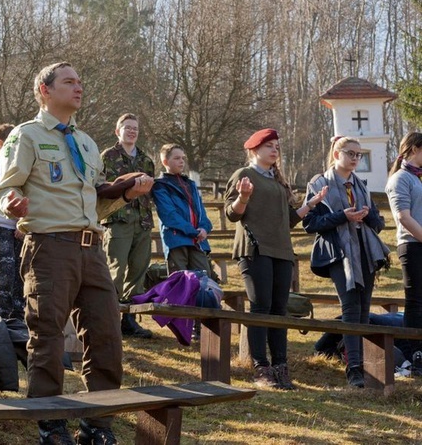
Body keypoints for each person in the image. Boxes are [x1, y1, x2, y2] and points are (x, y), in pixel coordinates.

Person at [0, 62, 153, 444]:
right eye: (69, 82)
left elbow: (93, 204)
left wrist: (126, 194)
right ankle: (51, 423)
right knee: (47, 336)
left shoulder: (86, 142)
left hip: (92, 247)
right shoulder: (25, 136)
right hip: (49, 247)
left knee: (106, 336)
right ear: (44, 91)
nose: (78, 88)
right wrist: (11, 204)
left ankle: (98, 424)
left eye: (80, 82)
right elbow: (0, 191)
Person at [224, 128, 325, 390]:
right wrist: (244, 197)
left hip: (282, 251)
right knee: (261, 308)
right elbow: (232, 215)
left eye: (277, 146)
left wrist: (310, 204)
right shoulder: (243, 175)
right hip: (255, 250)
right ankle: (261, 367)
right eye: (269, 145)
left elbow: (289, 220)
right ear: (254, 149)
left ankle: (281, 366)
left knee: (280, 310)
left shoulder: (278, 181)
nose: (274, 150)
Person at [303, 136, 388, 388]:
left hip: (364, 251)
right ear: (336, 153)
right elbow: (311, 224)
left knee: (363, 309)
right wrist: (342, 217)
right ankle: (354, 370)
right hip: (339, 253)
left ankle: (366, 366)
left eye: (358, 155)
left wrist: (368, 216)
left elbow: (379, 224)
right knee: (350, 308)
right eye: (350, 153)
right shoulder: (319, 183)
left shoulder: (360, 185)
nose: (355, 159)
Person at [100, 113, 155, 339]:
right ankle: (108, 319)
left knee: (138, 270)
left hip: (141, 221)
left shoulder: (146, 160)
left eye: (135, 128)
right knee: (115, 269)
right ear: (118, 131)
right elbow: (102, 188)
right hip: (117, 219)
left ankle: (129, 320)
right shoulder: (107, 156)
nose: (132, 131)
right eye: (127, 128)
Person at [385, 131, 422, 376]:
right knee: (416, 301)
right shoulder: (401, 179)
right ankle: (415, 353)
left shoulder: (419, 178)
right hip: (412, 245)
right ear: (414, 149)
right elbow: (403, 217)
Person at [152, 144, 213, 276]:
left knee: (203, 281)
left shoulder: (190, 184)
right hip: (176, 241)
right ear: (165, 162)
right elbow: (169, 215)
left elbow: (201, 211)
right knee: (180, 283)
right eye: (177, 158)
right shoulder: (160, 185)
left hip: (197, 242)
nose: (181, 161)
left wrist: (204, 228)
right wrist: (193, 232)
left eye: (183, 158)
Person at [0, 123, 25, 320]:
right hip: (1, 225)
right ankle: (3, 313)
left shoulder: (21, 167)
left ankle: (19, 313)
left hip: (22, 228)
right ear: (1, 144)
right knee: (5, 270)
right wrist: (15, 219)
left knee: (21, 271)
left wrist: (23, 222)